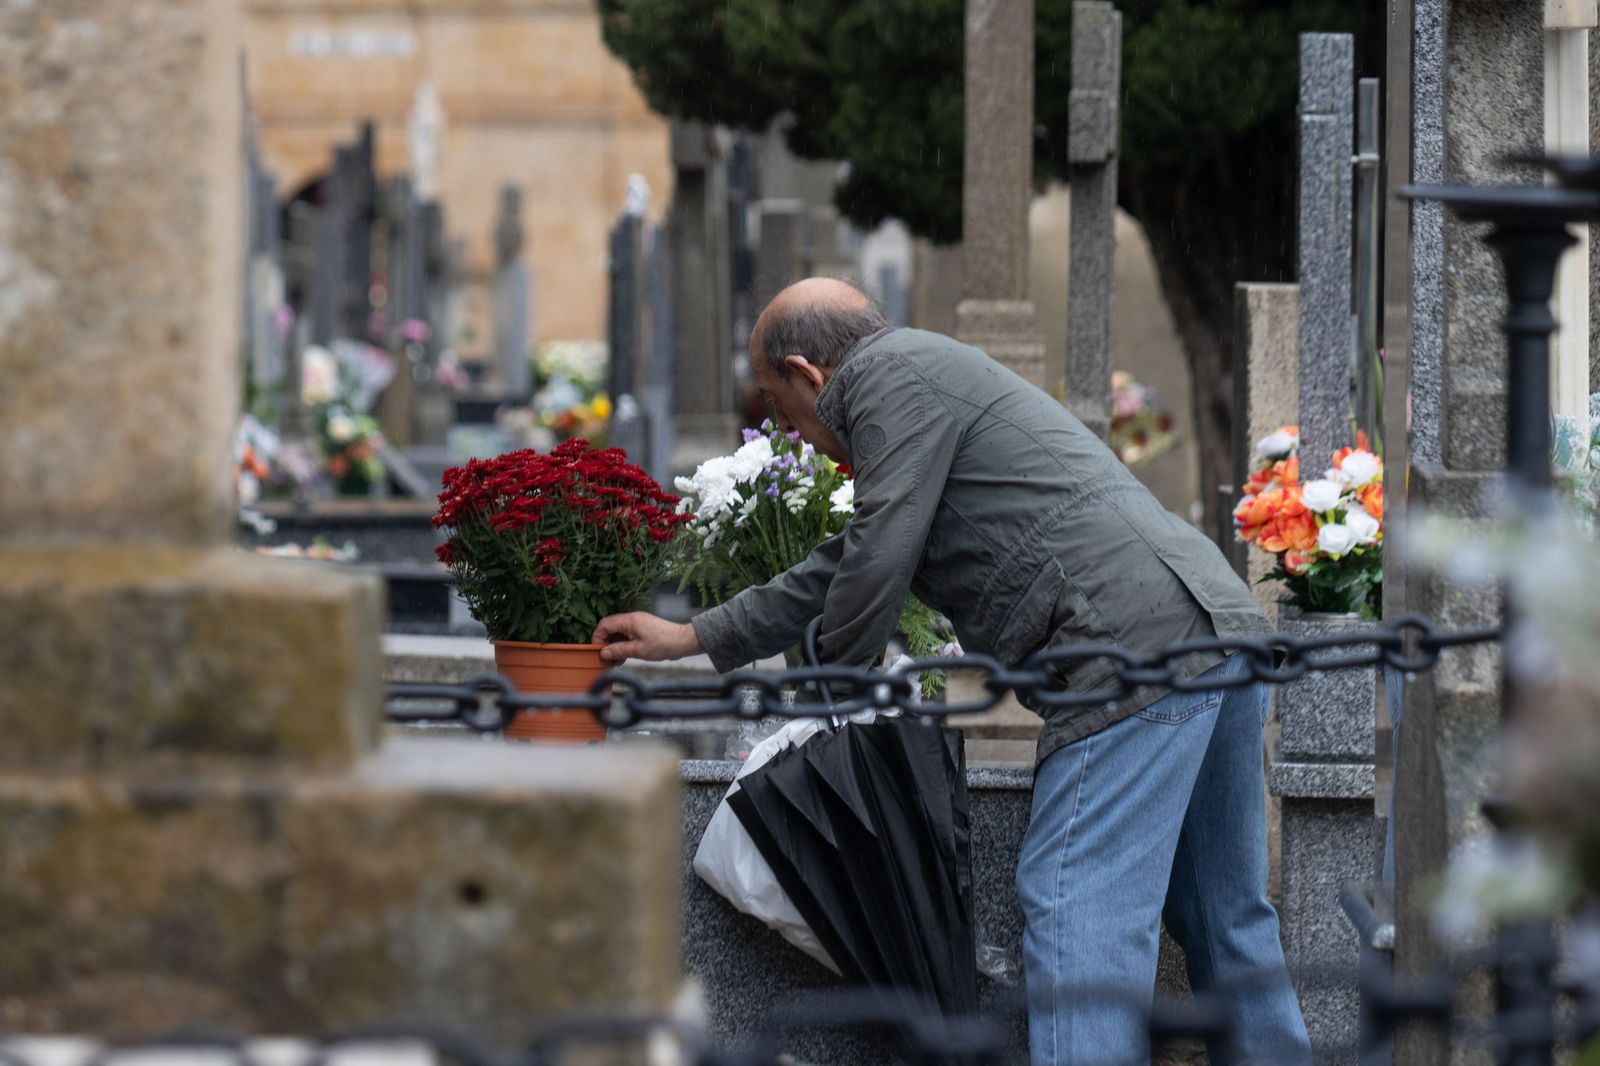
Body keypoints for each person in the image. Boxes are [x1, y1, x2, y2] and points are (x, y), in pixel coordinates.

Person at [593, 278, 1311, 1065]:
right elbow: (846, 561)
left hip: (1127, 649)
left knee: (1076, 903)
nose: (788, 431)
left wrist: (828, 705)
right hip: (1213, 624)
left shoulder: (885, 380)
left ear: (807, 373)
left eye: (777, 402)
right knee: (1221, 912)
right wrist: (689, 635)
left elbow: (874, 563)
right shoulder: (918, 375)